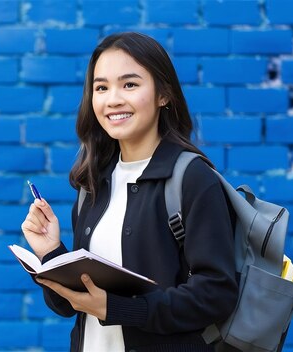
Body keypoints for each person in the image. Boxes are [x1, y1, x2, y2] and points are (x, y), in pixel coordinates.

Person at [21, 32, 238, 352]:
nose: (113, 100)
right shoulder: (93, 183)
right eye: (101, 87)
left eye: (130, 85)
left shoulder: (191, 178)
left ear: (164, 94)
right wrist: (51, 253)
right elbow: (72, 306)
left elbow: (215, 295)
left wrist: (117, 308)